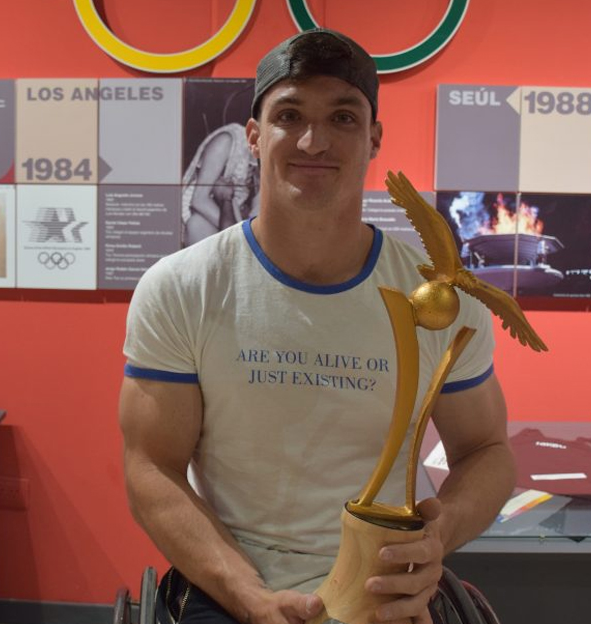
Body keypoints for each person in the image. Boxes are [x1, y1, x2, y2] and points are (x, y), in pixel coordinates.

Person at [120, 29, 514, 624]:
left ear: (374, 137)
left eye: (343, 117)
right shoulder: (182, 288)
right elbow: (151, 466)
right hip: (231, 585)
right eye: (289, 115)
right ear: (254, 136)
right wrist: (247, 595)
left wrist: (438, 535)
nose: (314, 140)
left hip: (384, 584)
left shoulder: (439, 300)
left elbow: (486, 450)